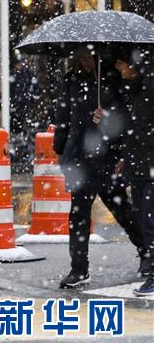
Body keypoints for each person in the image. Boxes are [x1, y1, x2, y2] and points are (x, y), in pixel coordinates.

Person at [53, 46, 145, 289]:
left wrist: (108, 117)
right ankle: (79, 268)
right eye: (81, 55)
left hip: (106, 154)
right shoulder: (70, 80)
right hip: (80, 157)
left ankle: (146, 251)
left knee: (120, 208)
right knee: (78, 213)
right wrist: (60, 148)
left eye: (90, 55)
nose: (86, 59)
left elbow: (128, 114)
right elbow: (63, 116)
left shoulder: (113, 79)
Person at [113, 49, 153, 297]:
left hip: (149, 166)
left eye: (121, 64)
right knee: (143, 217)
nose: (118, 68)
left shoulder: (148, 90)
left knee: (149, 220)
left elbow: (143, 129)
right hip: (140, 165)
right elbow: (135, 129)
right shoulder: (137, 89)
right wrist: (126, 157)